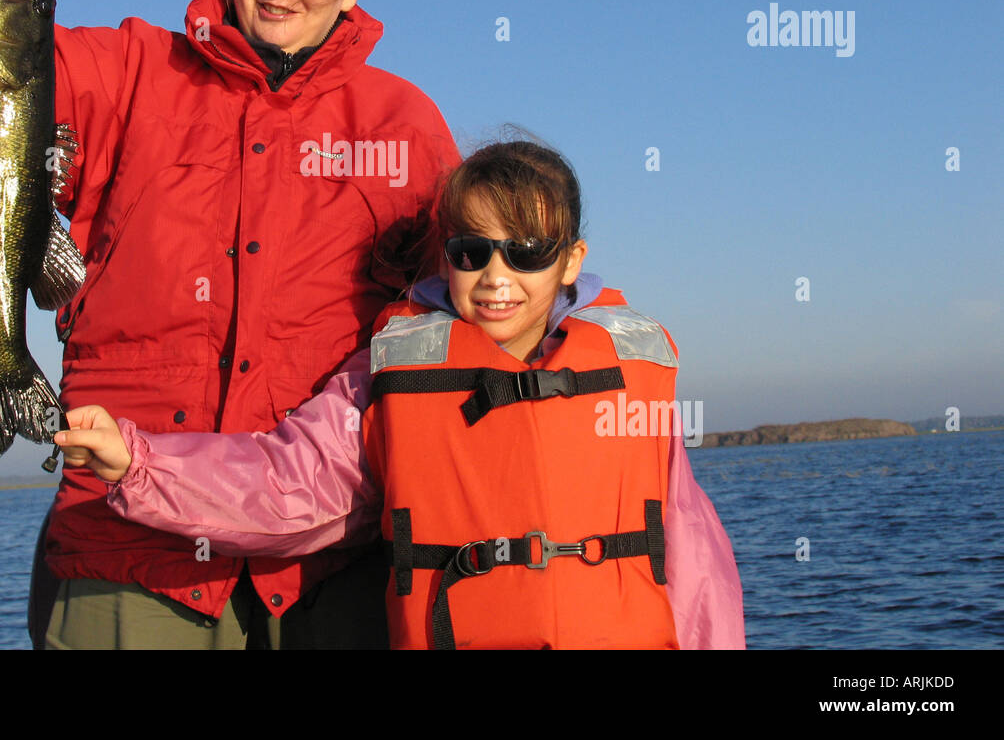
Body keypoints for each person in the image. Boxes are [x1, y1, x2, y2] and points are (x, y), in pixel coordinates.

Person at [0, 0, 460, 649]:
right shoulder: (133, 70)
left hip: (331, 569)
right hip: (127, 547)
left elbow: (469, 308)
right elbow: (2, 77)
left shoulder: (404, 125)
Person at [55, 140, 746, 649]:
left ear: (571, 258)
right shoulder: (390, 370)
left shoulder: (634, 365)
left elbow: (691, 555)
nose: (496, 274)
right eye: (472, 251)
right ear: (448, 255)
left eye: (527, 250)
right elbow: (289, 486)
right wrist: (140, 465)